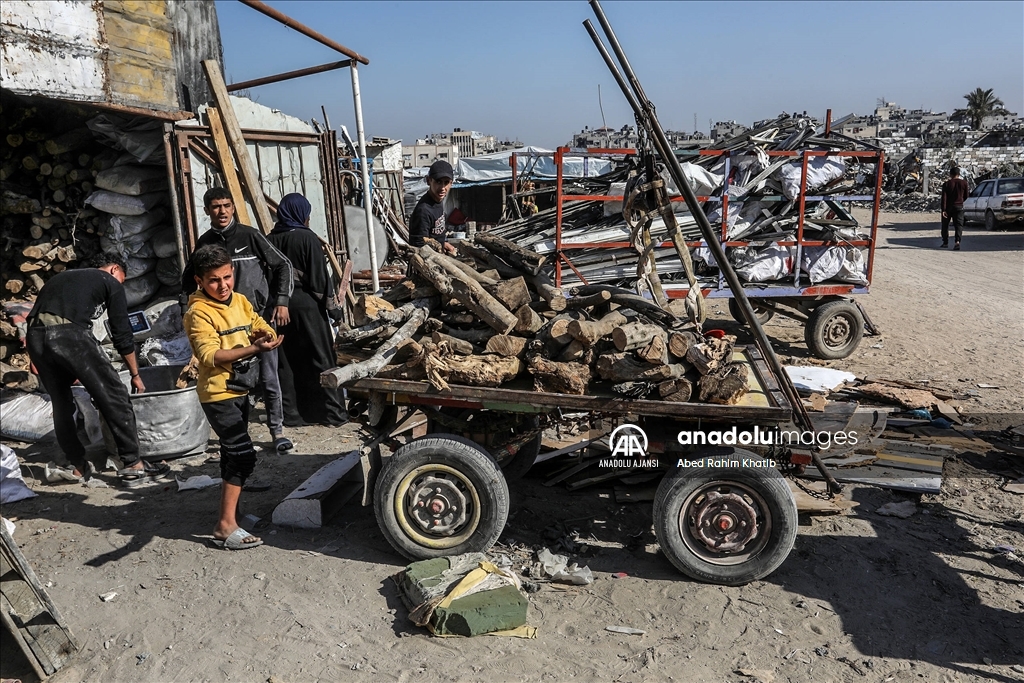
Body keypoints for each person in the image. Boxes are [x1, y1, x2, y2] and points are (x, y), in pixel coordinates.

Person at [26, 252, 170, 486]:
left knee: (61, 404)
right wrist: (135, 374)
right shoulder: (109, 281)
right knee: (114, 395)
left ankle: (77, 466)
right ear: (114, 269)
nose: (120, 284)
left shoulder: (62, 278)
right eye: (122, 279)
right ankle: (133, 465)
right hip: (69, 336)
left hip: (35, 337)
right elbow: (121, 332)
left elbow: (37, 317)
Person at [183, 245, 284, 550]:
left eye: (227, 277)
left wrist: (264, 334)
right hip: (218, 393)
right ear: (200, 281)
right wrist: (255, 349)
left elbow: (256, 322)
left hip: (241, 388)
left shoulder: (239, 300)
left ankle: (234, 515)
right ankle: (224, 526)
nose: (223, 285)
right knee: (243, 454)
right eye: (214, 280)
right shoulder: (198, 312)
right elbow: (210, 355)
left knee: (231, 452)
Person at [181, 187, 295, 452]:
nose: (222, 211)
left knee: (268, 379)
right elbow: (188, 280)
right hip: (223, 328)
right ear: (207, 210)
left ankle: (277, 432)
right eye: (216, 206)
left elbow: (283, 265)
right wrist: (190, 311)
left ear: (233, 208)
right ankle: (238, 441)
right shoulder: (205, 243)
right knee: (230, 381)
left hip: (256, 320)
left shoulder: (250, 236)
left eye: (226, 205)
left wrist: (281, 301)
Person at [266, 193, 347, 426]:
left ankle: (292, 415)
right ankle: (334, 414)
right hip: (307, 305)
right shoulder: (307, 238)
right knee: (322, 358)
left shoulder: (270, 239)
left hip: (280, 307)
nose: (309, 219)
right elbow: (320, 280)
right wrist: (333, 310)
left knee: (288, 361)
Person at [409, 160, 457, 255]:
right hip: (427, 263)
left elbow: (436, 234)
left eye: (446, 182)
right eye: (438, 182)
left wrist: (444, 243)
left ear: (451, 183)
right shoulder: (423, 210)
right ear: (428, 181)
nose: (443, 187)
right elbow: (419, 246)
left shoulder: (438, 201)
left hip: (439, 257)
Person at [940, 166, 970, 250]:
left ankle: (945, 242)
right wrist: (960, 202)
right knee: (958, 225)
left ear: (950, 174)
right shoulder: (964, 183)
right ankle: (957, 242)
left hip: (948, 208)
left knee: (945, 225)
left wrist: (943, 209)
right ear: (959, 174)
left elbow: (944, 198)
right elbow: (966, 196)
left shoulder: (947, 184)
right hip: (959, 207)